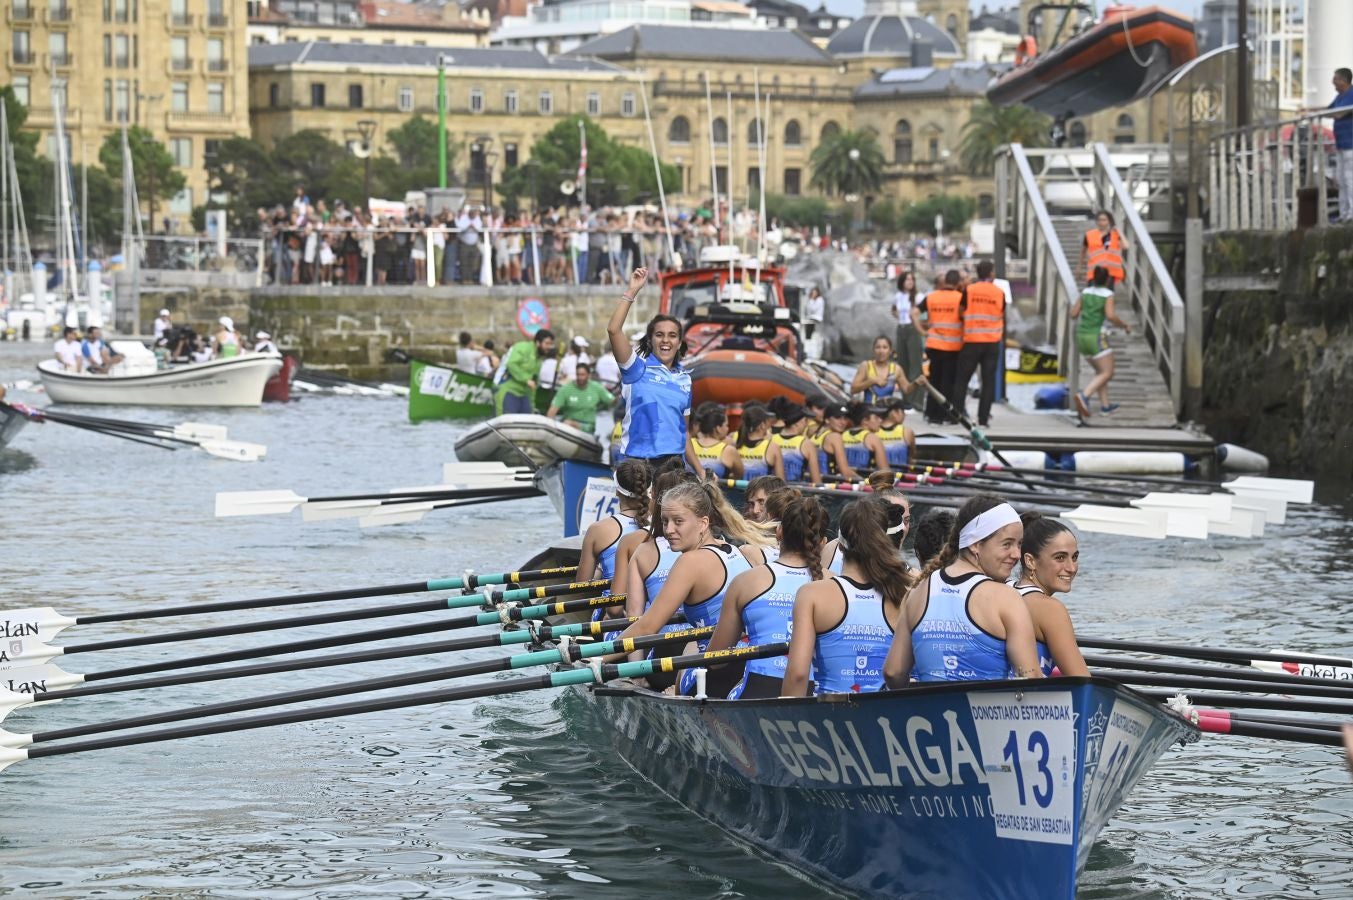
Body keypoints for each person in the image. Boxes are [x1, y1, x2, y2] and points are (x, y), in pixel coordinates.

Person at [611, 480, 768, 696]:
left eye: (678, 522)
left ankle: (674, 690)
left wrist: (598, 658)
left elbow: (647, 627)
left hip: (717, 670)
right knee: (691, 644)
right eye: (665, 521)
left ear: (703, 523)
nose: (668, 530)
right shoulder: (741, 551)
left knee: (691, 646)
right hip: (755, 665)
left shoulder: (690, 562)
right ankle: (676, 688)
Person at [883, 494, 1043, 687]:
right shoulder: (1007, 598)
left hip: (926, 715)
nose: (1017, 554)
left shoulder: (917, 592)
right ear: (975, 544)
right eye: (1007, 544)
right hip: (987, 715)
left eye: (1019, 544)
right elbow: (1031, 680)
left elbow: (893, 672)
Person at [782, 496, 910, 696]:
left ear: (840, 545)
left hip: (828, 717)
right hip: (885, 715)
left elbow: (798, 675)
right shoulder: (906, 595)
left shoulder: (812, 594)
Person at [707, 495, 828, 699]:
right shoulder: (837, 585)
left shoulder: (746, 581)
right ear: (823, 542)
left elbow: (715, 659)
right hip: (819, 694)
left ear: (778, 532)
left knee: (691, 667)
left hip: (759, 688)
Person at [607, 267, 690, 468]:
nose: (665, 340)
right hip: (638, 465)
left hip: (674, 467)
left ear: (679, 342)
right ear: (651, 340)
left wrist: (700, 473)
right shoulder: (636, 369)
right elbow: (613, 330)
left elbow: (684, 433)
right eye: (659, 335)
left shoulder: (685, 379)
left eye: (672, 335)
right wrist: (632, 291)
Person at [1013, 512, 1089, 678]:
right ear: (1030, 561)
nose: (1072, 568)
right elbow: (1083, 683)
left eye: (1074, 557)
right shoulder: (1049, 608)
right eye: (1060, 558)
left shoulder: (1003, 588)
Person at [577, 459, 652, 618]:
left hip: (612, 612)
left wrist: (600, 569)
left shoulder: (598, 530)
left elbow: (581, 586)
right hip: (653, 612)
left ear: (617, 491)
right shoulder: (664, 526)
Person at [1069, 265, 1132, 418]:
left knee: (1100, 372)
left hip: (1082, 336)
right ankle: (1085, 395)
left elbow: (1073, 313)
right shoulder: (1107, 294)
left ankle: (1105, 406)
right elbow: (1110, 316)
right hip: (1096, 336)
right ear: (1108, 279)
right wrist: (1124, 325)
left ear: (1092, 278)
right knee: (1108, 372)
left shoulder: (1085, 293)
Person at [952, 259, 1007, 428]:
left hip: (972, 340)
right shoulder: (999, 292)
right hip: (991, 342)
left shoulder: (969, 290)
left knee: (962, 379)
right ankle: (983, 419)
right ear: (991, 273)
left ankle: (957, 415)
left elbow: (960, 311)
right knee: (988, 381)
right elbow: (1001, 313)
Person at [916, 270, 964, 423]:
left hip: (934, 344)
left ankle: (931, 414)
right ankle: (946, 415)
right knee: (948, 383)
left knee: (934, 381)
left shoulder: (932, 297)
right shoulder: (961, 298)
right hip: (953, 346)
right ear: (958, 283)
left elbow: (913, 313)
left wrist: (922, 331)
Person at [1310, 67, 1353, 223]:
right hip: (1341, 143)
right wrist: (1309, 110)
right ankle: (1344, 213)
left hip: (1350, 143)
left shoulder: (1351, 95)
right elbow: (1329, 110)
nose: (1332, 82)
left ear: (1343, 81)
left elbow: (1339, 113)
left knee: (1349, 178)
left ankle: (1351, 214)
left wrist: (1326, 113)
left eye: (1335, 79)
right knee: (1341, 179)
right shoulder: (1340, 97)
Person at [495, 328, 556, 415]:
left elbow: (533, 384)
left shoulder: (539, 360)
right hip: (508, 390)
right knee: (508, 422)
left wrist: (532, 405)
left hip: (524, 395)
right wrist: (526, 380)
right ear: (538, 343)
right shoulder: (523, 347)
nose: (549, 347)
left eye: (551, 344)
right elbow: (511, 364)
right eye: (547, 343)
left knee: (528, 420)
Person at [546, 362, 613, 434]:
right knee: (566, 423)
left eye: (582, 375)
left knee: (568, 423)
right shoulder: (566, 389)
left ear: (589, 375)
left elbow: (613, 401)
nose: (579, 377)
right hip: (567, 424)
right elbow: (552, 411)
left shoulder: (597, 387)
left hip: (588, 427)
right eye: (577, 374)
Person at [768, 400, 821, 485]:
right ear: (797, 422)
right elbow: (816, 480)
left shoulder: (770, 439)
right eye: (806, 420)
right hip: (797, 492)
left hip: (773, 490)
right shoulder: (806, 444)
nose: (807, 424)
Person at [685, 402, 740, 478]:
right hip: (717, 488)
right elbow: (739, 475)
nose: (728, 429)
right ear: (718, 428)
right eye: (726, 425)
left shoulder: (688, 443)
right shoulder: (729, 450)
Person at [893, 271, 924, 400]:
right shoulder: (898, 296)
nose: (910, 282)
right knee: (902, 364)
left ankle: (916, 400)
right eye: (907, 280)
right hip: (901, 328)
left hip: (913, 329)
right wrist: (898, 317)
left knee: (915, 365)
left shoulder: (918, 297)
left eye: (912, 279)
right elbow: (894, 309)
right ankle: (906, 398)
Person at [851, 335, 909, 405]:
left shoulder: (896, 369)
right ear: (873, 350)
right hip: (870, 410)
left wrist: (916, 383)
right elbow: (853, 389)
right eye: (878, 347)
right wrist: (871, 381)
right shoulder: (866, 366)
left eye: (885, 347)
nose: (881, 351)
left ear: (890, 351)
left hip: (887, 411)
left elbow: (907, 390)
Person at [734, 403, 784, 480]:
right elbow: (781, 480)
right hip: (762, 491)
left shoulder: (736, 444)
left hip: (739, 491)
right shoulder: (773, 447)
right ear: (762, 425)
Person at [1079, 210, 1126, 289]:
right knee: (1092, 297)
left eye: (1104, 220)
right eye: (1099, 220)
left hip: (1110, 273)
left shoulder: (1115, 235)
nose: (1101, 222)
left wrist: (1119, 232)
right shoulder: (1089, 235)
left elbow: (1125, 246)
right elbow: (1083, 252)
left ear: (1109, 221)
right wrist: (1079, 267)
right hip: (1094, 272)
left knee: (1107, 297)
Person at [875, 398, 916, 468]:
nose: (905, 415)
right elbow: (911, 457)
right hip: (901, 475)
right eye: (902, 411)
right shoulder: (907, 431)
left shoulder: (871, 432)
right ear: (894, 412)